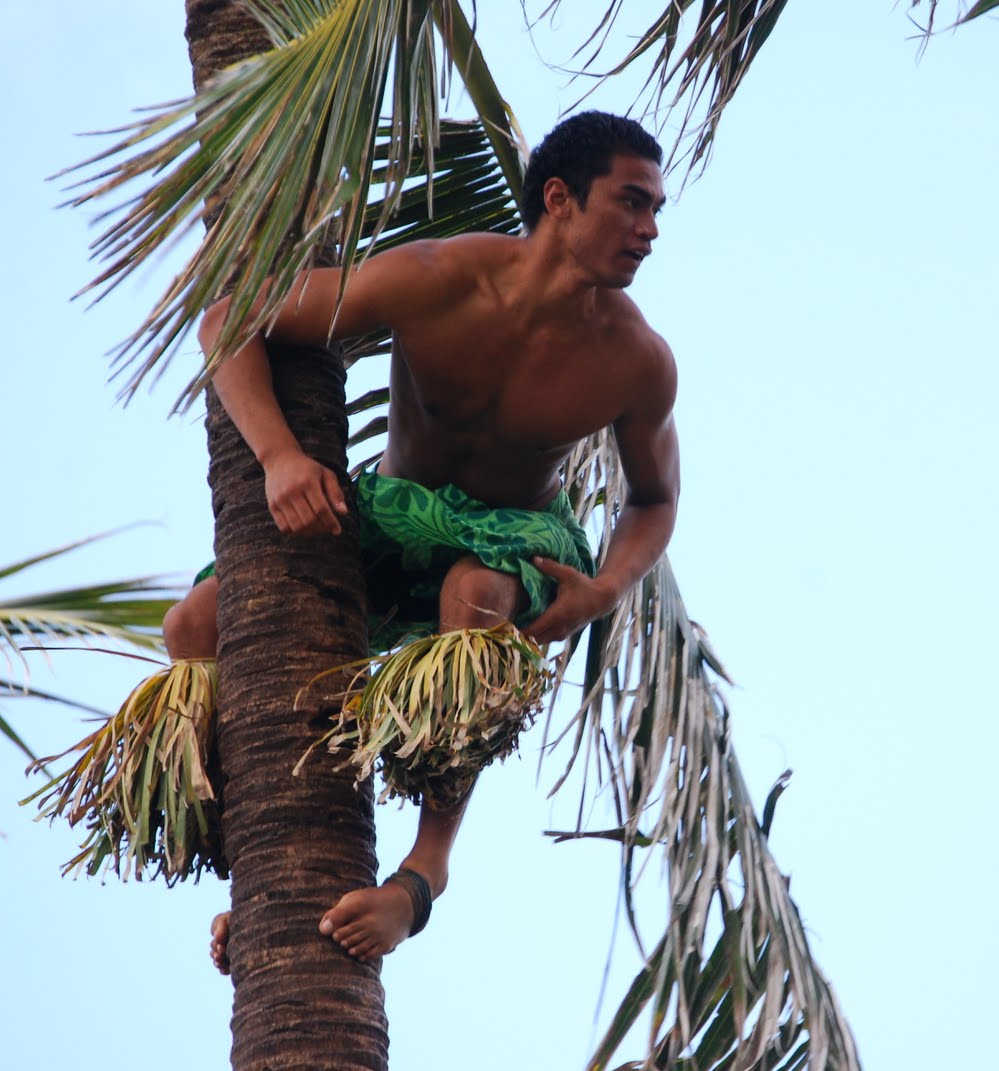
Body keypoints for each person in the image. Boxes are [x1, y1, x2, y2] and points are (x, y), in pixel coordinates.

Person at [168, 111, 680, 972]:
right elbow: (230, 322)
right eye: (631, 203)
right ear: (559, 198)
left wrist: (607, 588)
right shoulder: (441, 278)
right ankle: (251, 876)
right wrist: (282, 458)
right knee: (193, 630)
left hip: (517, 536)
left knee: (472, 597)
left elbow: (655, 499)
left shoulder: (636, 360)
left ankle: (421, 875)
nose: (650, 231)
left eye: (657, 209)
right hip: (397, 514)